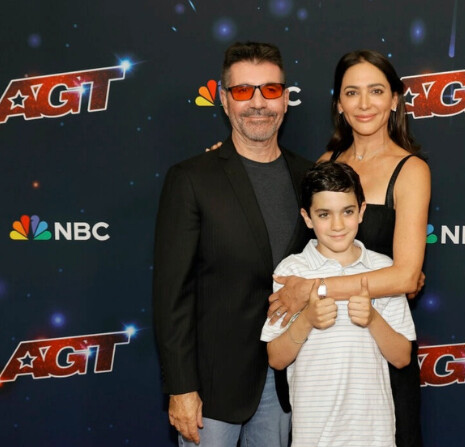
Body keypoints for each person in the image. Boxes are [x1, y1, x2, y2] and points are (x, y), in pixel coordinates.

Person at [152, 41, 312, 446]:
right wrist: (181, 388)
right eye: (243, 91)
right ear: (225, 101)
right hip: (211, 390)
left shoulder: (311, 177)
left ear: (285, 99)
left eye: (270, 90)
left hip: (286, 384)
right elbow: (172, 295)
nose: (258, 103)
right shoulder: (191, 178)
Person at [267, 50, 430, 446]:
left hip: (380, 355)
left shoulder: (411, 170)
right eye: (351, 92)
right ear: (338, 103)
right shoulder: (326, 163)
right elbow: (305, 253)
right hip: (322, 360)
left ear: (394, 99)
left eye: (376, 91)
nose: (364, 103)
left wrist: (313, 288)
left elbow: (405, 276)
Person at [261, 161, 416, 446]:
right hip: (314, 436)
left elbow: (402, 357)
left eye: (347, 211)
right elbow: (276, 358)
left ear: (362, 211)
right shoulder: (292, 272)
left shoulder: (383, 270)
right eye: (324, 214)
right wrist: (307, 318)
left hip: (374, 435)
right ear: (307, 218)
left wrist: (372, 319)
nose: (337, 225)